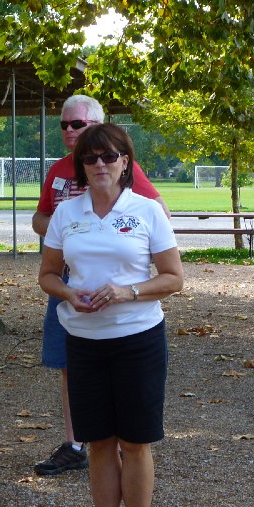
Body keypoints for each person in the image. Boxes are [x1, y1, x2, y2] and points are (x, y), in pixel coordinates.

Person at [39, 123, 183, 507]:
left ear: (125, 162)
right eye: (90, 158)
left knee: (135, 443)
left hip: (138, 341)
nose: (100, 164)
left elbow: (174, 278)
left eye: (109, 156)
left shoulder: (147, 210)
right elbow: (47, 275)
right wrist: (68, 294)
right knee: (99, 443)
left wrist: (129, 291)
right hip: (84, 343)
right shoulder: (67, 213)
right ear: (81, 168)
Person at [32, 94, 169, 475]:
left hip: (128, 311)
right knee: (67, 364)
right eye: (65, 125)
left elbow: (158, 214)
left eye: (79, 124)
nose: (72, 132)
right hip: (70, 282)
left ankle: (123, 441)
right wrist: (70, 227)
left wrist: (109, 236)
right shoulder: (59, 171)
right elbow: (41, 220)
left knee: (129, 407)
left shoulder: (117, 162)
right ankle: (74, 441)